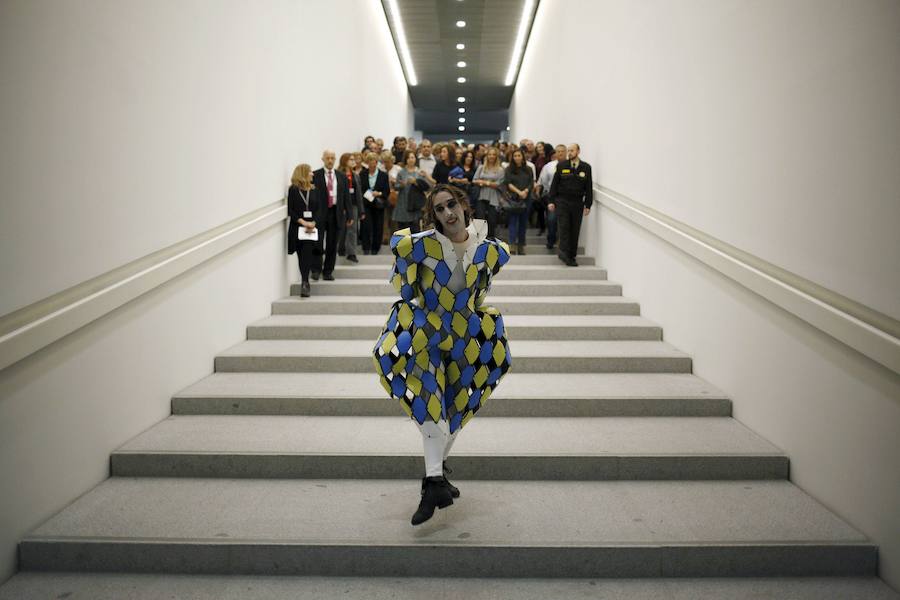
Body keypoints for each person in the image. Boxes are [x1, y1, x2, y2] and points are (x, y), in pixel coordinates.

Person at [373, 184, 511, 526]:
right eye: (439, 209)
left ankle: (437, 478)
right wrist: (407, 257)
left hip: (466, 334)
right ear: (432, 215)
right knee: (430, 404)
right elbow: (404, 290)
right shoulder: (422, 246)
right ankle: (433, 482)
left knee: (456, 407)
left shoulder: (490, 249)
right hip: (427, 332)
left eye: (452, 205)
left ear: (463, 206)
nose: (448, 213)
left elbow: (481, 292)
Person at [549, 143, 593, 267]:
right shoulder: (562, 165)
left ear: (578, 151)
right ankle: (564, 252)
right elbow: (554, 184)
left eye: (572, 150)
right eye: (569, 150)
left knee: (575, 229)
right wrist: (551, 201)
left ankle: (571, 256)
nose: (570, 152)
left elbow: (588, 187)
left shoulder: (586, 167)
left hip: (577, 203)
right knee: (564, 227)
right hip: (562, 201)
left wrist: (588, 204)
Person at [312, 150, 352, 280]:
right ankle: (316, 269)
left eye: (332, 158)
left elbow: (346, 196)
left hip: (336, 212)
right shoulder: (315, 175)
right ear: (323, 159)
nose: (330, 160)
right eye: (327, 158)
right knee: (317, 242)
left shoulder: (341, 176)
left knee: (332, 243)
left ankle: (328, 271)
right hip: (320, 213)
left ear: (335, 160)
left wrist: (350, 215)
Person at [287, 164, 319, 297]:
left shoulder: (314, 189)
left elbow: (319, 209)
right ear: (304, 173)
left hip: (311, 228)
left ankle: (305, 281)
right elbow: (290, 210)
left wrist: (313, 222)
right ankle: (305, 281)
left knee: (308, 254)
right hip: (298, 228)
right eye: (310, 171)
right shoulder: (293, 190)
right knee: (302, 255)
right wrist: (303, 222)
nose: (312, 174)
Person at [537, 144, 567, 250]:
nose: (560, 153)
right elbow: (544, 181)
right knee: (551, 219)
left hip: (566, 198)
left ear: (566, 152)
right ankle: (551, 240)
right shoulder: (549, 166)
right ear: (555, 153)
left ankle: (562, 242)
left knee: (564, 221)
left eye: (563, 151)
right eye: (558, 151)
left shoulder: (570, 166)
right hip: (552, 196)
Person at [359, 151, 390, 255]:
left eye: (374, 161)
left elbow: (387, 191)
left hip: (378, 204)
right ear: (367, 162)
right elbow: (360, 189)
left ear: (377, 162)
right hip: (366, 204)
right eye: (369, 161)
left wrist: (379, 193)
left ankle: (375, 248)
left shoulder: (383, 175)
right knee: (366, 226)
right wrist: (367, 193)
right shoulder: (362, 174)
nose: (372, 163)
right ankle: (366, 248)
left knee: (378, 226)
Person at [504, 148, 534, 255]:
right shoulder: (508, 169)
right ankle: (512, 245)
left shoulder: (529, 169)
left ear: (523, 157)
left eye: (519, 155)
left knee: (523, 223)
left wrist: (525, 191)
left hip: (526, 199)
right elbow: (508, 183)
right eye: (515, 156)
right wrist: (519, 192)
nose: (517, 158)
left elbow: (531, 182)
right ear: (512, 157)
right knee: (513, 222)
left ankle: (521, 245)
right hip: (513, 199)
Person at [338, 152, 364, 263]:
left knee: (353, 229)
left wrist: (361, 210)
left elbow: (359, 193)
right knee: (341, 229)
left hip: (353, 205)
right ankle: (340, 249)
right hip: (341, 205)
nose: (354, 161)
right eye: (351, 159)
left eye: (354, 159)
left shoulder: (356, 175)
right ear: (345, 161)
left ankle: (351, 253)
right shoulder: (338, 174)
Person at [472, 146, 504, 238]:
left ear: (496, 156)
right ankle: (479, 240)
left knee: (492, 220)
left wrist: (484, 182)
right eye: (490, 154)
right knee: (480, 220)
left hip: (494, 197)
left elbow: (498, 184)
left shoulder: (500, 169)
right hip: (481, 196)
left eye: (494, 154)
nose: (491, 156)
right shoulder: (481, 167)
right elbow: (474, 180)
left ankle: (490, 240)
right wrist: (489, 183)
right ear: (487, 156)